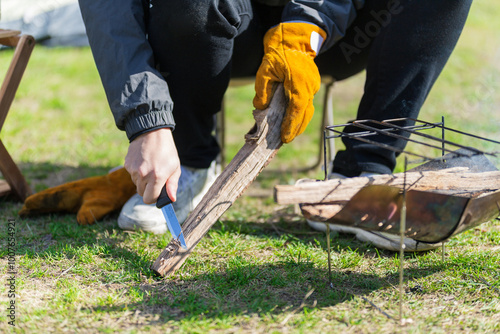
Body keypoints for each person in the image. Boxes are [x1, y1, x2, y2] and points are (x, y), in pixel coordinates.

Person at [68, 0, 472, 247]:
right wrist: (147, 120)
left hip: (336, 30)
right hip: (214, 23)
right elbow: (111, 9)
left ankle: (364, 169)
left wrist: (306, 26)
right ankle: (189, 161)